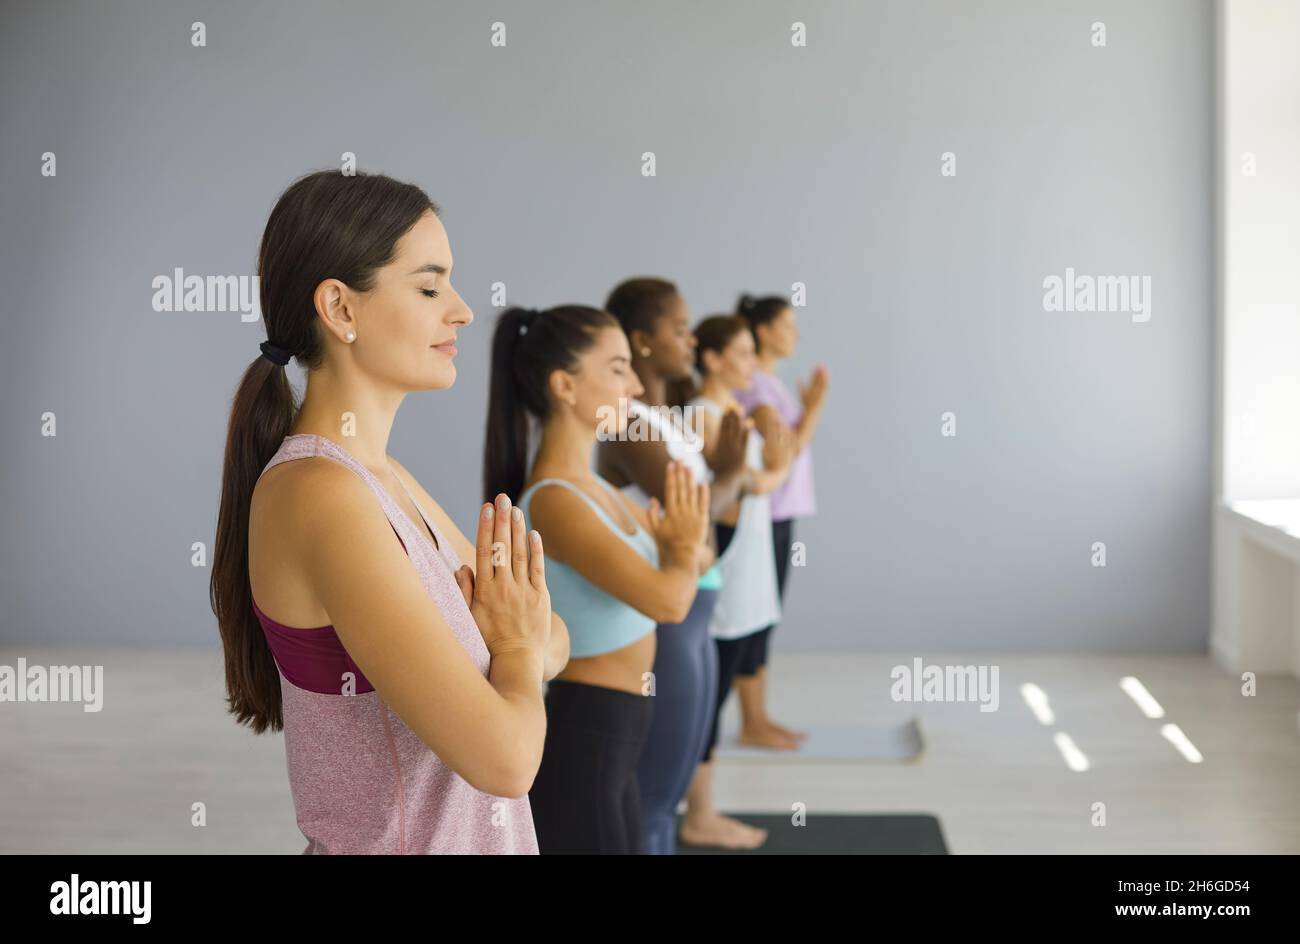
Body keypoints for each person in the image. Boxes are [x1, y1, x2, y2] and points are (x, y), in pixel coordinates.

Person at [211, 169, 568, 854]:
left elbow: (556, 634)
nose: (462, 310)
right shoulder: (323, 494)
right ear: (340, 310)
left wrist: (523, 646)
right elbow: (507, 759)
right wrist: (514, 649)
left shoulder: (382, 479)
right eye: (430, 287)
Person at [484, 304, 712, 854]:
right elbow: (671, 599)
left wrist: (683, 554)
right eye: (617, 368)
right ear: (564, 385)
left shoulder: (593, 488)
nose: (634, 383)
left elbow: (692, 562)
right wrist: (680, 551)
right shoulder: (557, 500)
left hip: (621, 731)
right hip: (588, 733)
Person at [599, 277, 749, 853]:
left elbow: (705, 511)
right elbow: (699, 509)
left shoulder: (665, 417)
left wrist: (729, 477)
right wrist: (732, 472)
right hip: (668, 622)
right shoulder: (631, 422)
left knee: (672, 789)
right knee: (655, 797)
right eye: (679, 329)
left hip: (696, 615)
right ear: (641, 340)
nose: (689, 340)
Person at [680, 315, 796, 849]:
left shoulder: (733, 412)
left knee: (718, 696)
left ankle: (703, 807)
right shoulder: (703, 416)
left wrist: (775, 462)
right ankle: (698, 813)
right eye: (743, 353)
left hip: (747, 576)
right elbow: (749, 484)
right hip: (722, 580)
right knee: (709, 700)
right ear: (713, 359)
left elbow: (760, 480)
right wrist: (776, 465)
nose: (752, 364)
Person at [732, 294, 829, 747]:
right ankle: (752, 722)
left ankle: (759, 718)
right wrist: (815, 409)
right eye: (786, 326)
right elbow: (785, 451)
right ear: (764, 332)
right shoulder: (755, 387)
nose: (795, 334)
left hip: (781, 513)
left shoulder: (770, 381)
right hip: (766, 517)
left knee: (766, 618)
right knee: (756, 620)